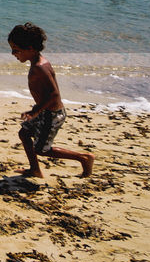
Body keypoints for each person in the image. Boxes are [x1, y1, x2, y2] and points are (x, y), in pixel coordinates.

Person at [7, 22, 93, 178]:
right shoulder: (37, 62)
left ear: (30, 48)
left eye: (16, 50)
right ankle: (35, 169)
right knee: (24, 133)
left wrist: (35, 111)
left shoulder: (40, 67)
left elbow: (54, 94)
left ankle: (83, 158)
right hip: (44, 111)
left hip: (51, 114)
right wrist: (37, 110)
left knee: (42, 149)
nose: (13, 54)